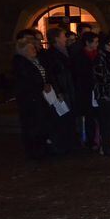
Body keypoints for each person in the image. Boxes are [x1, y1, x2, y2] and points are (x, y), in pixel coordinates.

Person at [13, 36, 53, 159]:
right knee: (32, 125)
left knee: (39, 123)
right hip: (29, 99)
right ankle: (35, 151)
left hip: (36, 96)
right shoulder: (21, 63)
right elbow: (28, 81)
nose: (34, 50)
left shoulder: (32, 62)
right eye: (31, 48)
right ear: (24, 50)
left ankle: (41, 148)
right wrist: (41, 84)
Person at [40, 27, 77, 155]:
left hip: (69, 87)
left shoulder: (66, 51)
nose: (65, 38)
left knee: (70, 116)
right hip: (62, 89)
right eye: (63, 36)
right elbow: (52, 74)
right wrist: (58, 90)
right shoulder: (51, 54)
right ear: (56, 38)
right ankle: (63, 145)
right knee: (62, 117)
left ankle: (70, 143)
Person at [71, 31, 100, 149]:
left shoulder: (98, 54)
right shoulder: (79, 56)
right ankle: (89, 140)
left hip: (97, 89)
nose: (97, 44)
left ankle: (98, 139)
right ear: (88, 43)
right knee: (89, 116)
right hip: (86, 90)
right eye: (95, 42)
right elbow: (78, 75)